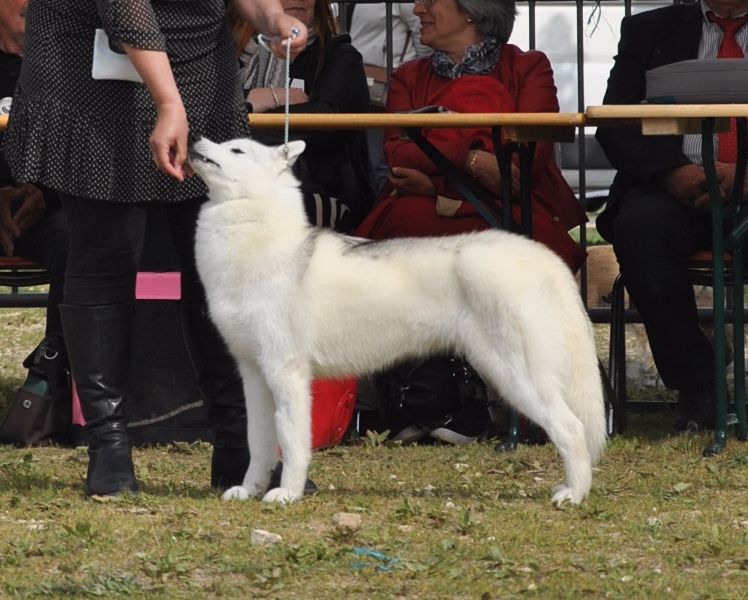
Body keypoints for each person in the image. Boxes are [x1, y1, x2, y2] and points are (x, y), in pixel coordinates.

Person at [3, 0, 308, 496]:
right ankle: (109, 445)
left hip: (198, 71)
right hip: (90, 69)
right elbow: (125, 8)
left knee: (224, 264)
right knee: (104, 254)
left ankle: (244, 449)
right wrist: (168, 104)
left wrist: (272, 19)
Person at [595, 0, 748, 431]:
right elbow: (615, 121)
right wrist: (671, 173)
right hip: (675, 189)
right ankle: (698, 385)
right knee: (640, 230)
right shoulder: (649, 30)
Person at [355, 0, 586, 273]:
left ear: (471, 11)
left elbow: (526, 159)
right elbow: (398, 156)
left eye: (429, 1)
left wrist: (433, 183)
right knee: (407, 226)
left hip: (507, 208)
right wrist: (470, 159)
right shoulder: (408, 77)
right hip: (425, 207)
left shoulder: (528, 67)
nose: (417, 9)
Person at [231, 0, 373, 232]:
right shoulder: (227, 54)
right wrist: (261, 97)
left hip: (318, 191)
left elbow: (325, 123)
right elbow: (200, 110)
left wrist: (241, 120)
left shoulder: (339, 55)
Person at [0, 0, 68, 390]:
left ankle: (52, 381)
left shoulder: (66, 64)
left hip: (50, 209)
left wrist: (45, 194)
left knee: (81, 240)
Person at [348, 2, 431, 193]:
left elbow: (420, 31)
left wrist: (417, 71)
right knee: (367, 158)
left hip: (390, 81)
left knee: (380, 160)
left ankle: (382, 207)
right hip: (361, 76)